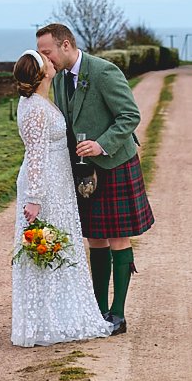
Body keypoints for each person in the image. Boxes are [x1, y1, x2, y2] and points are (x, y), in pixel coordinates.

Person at [36, 22, 154, 333]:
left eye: (47, 52)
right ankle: (98, 309)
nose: (44, 59)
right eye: (40, 53)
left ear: (66, 45)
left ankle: (118, 313)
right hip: (83, 170)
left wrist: (102, 144)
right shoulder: (60, 79)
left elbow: (130, 115)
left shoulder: (103, 71)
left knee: (117, 236)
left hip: (114, 164)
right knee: (95, 238)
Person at [11, 48, 114, 348]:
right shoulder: (33, 108)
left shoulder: (41, 101)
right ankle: (46, 321)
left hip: (59, 183)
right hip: (45, 187)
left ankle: (62, 314)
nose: (51, 59)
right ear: (42, 73)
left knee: (63, 245)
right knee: (46, 245)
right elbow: (36, 156)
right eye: (45, 59)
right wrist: (35, 198)